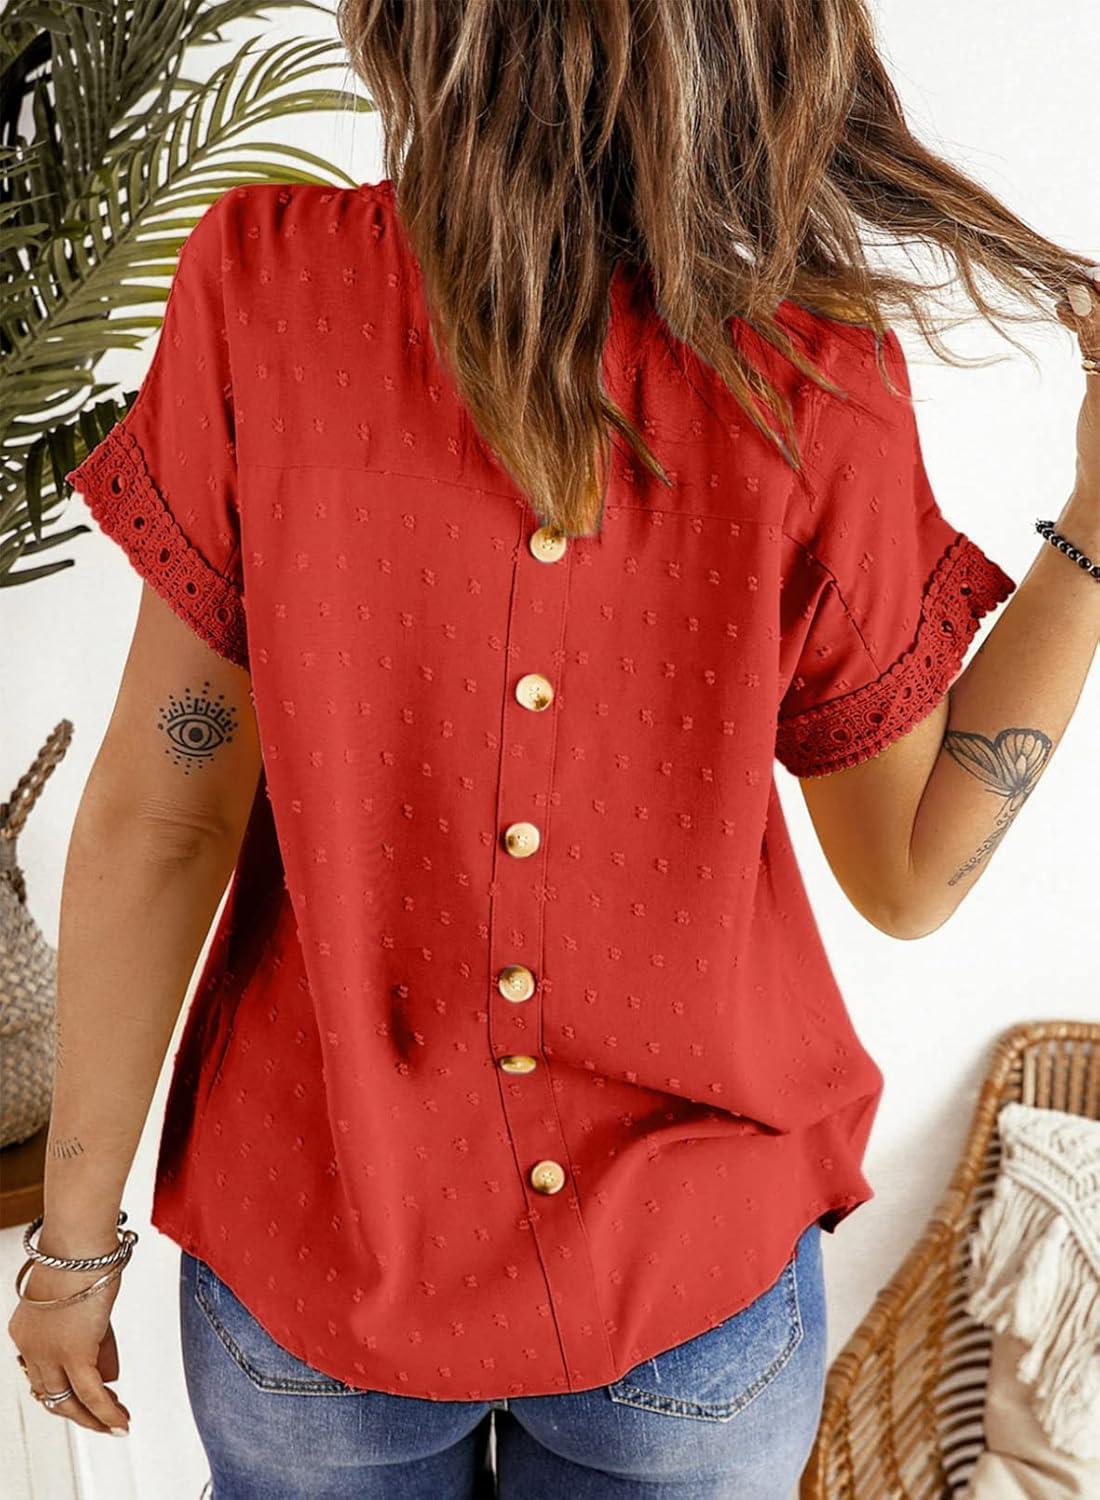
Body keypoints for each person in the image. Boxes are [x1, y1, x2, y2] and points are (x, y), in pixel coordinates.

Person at [7, 2, 1100, 1496]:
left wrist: (75, 1250)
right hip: (689, 1288)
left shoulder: (263, 288)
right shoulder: (811, 370)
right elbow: (911, 876)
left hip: (319, 1251)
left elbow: (163, 816)